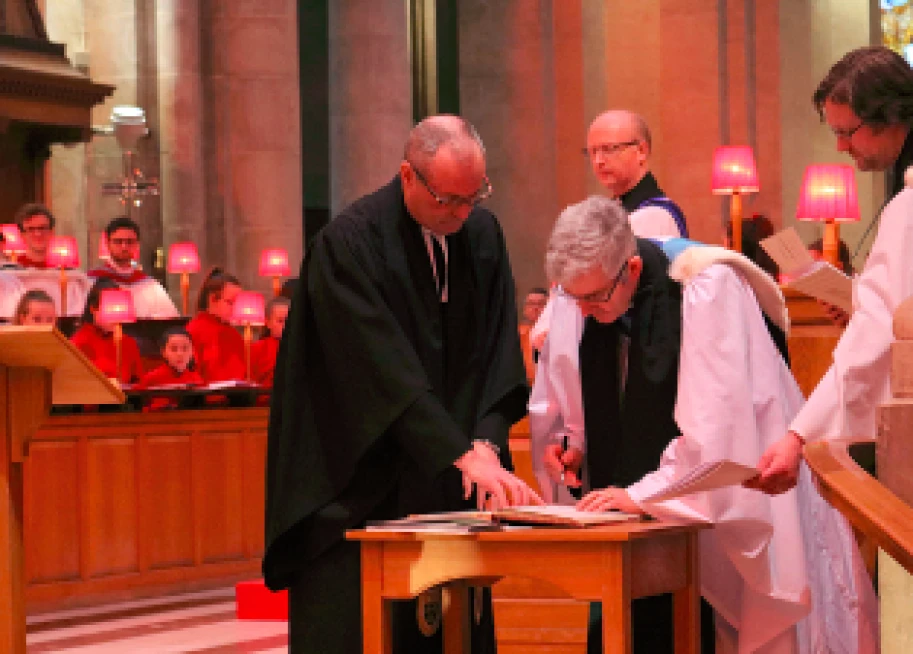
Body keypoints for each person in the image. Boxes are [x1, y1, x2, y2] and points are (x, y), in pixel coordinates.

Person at [538, 196, 876, 653]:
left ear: (632, 270)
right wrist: (576, 442)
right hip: (632, 508)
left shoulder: (704, 287)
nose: (581, 312)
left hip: (723, 502)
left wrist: (641, 494)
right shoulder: (584, 294)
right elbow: (577, 383)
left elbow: (717, 432)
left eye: (594, 299)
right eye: (571, 297)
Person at [264, 115, 542, 654]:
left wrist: (485, 439)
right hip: (363, 480)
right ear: (408, 176)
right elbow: (378, 367)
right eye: (448, 201)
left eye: (474, 197)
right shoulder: (348, 244)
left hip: (448, 474)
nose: (461, 215)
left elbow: (494, 350)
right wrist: (458, 451)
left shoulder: (481, 233)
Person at [755, 45, 913, 494]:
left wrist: (797, 435)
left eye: (848, 132)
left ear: (891, 115)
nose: (841, 146)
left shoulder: (908, 207)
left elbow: (876, 337)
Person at [585, 109, 688, 238]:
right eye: (593, 152)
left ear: (641, 151)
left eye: (609, 149)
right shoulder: (614, 210)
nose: (598, 161)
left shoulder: (654, 216)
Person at [87, 216, 179, 318]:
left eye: (130, 242)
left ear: (137, 245)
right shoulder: (92, 281)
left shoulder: (150, 285)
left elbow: (170, 318)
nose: (124, 247)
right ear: (108, 244)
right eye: (118, 241)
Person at [71, 278, 143, 384]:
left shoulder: (128, 343)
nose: (115, 316)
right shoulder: (78, 343)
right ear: (93, 309)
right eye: (108, 308)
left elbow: (139, 383)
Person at [185, 268, 245, 382]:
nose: (236, 309)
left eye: (238, 304)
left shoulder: (234, 334)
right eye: (230, 302)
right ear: (213, 299)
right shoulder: (194, 330)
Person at [136, 327, 205, 410]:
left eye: (185, 349)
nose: (180, 354)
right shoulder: (152, 378)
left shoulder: (196, 378)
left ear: (192, 352)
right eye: (174, 349)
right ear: (163, 352)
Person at [250, 296, 290, 387]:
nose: (285, 326)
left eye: (289, 321)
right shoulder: (257, 349)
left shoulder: (302, 346)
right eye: (280, 321)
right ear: (268, 322)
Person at [13, 203, 56, 269]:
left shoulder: (64, 269)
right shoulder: (12, 268)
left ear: (52, 231)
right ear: (21, 234)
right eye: (31, 229)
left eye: (42, 228)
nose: (38, 234)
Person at [518, 286, 548, 380]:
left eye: (541, 304)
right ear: (524, 310)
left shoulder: (557, 333)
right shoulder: (517, 334)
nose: (535, 308)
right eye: (531, 304)